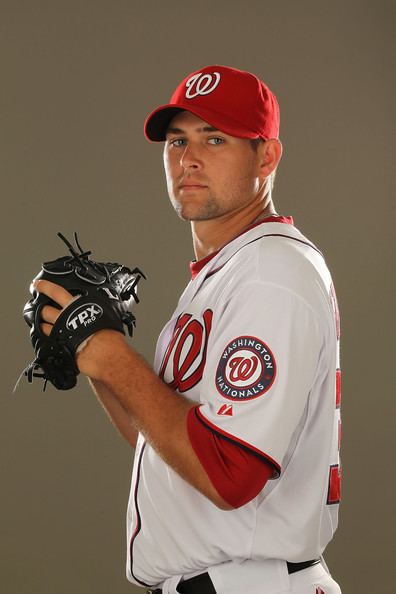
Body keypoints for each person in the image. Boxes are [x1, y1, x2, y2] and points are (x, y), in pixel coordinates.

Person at [34, 65, 342, 594]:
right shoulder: (227, 274)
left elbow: (229, 474)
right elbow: (168, 449)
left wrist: (111, 354)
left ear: (266, 155)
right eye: (177, 141)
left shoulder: (270, 272)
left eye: (215, 138)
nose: (189, 158)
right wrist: (89, 349)